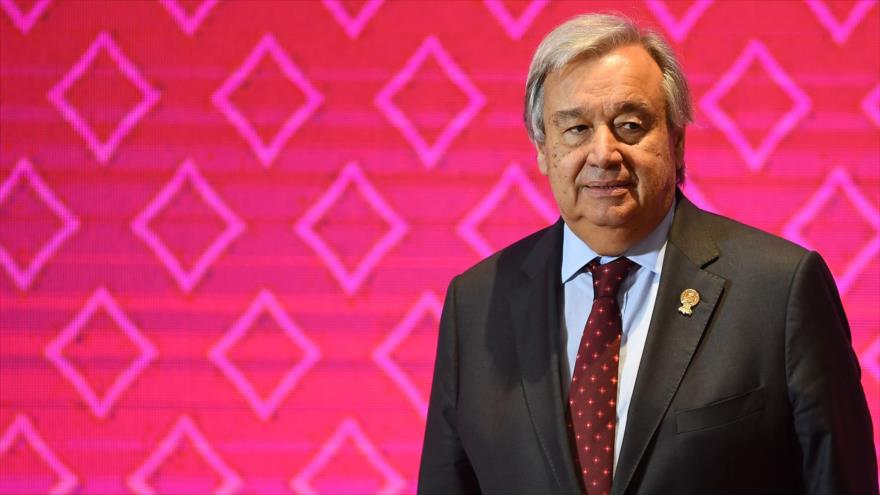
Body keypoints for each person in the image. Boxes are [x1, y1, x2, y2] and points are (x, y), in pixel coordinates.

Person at [417, 13, 878, 495]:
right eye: (575, 129)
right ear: (542, 148)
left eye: (630, 125)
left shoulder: (779, 290)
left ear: (676, 142)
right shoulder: (476, 303)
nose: (603, 153)